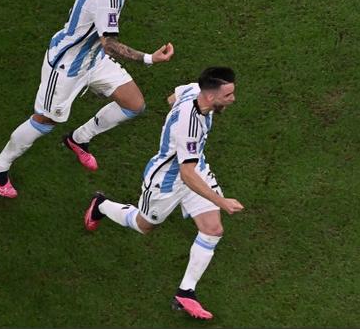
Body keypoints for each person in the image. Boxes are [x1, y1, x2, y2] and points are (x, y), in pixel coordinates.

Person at [0, 0, 173, 198]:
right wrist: (149, 59)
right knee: (45, 120)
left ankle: (78, 138)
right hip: (67, 67)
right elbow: (109, 44)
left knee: (134, 104)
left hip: (93, 59)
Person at [84, 67, 243, 321]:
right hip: (166, 182)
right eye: (229, 95)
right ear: (211, 97)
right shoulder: (189, 126)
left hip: (194, 168)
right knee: (143, 225)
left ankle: (186, 292)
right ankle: (101, 205)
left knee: (213, 229)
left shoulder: (194, 89)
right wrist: (221, 201)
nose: (233, 99)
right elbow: (187, 175)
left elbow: (173, 97)